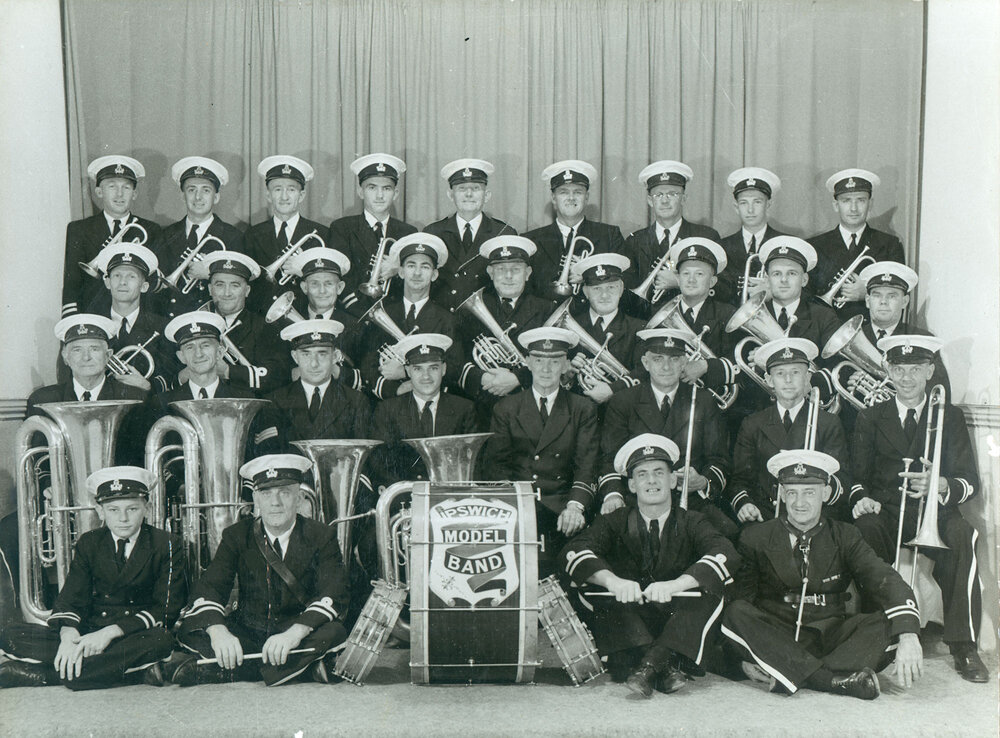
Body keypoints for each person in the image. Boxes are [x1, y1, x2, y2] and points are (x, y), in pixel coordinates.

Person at [721, 450, 924, 701]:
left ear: (825, 494)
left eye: (809, 492)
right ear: (781, 494)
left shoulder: (846, 535)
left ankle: (790, 669)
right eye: (792, 492)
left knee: (886, 623)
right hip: (778, 632)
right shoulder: (755, 536)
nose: (799, 502)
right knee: (736, 611)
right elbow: (742, 601)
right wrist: (743, 656)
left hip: (831, 635)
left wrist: (909, 634)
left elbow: (884, 578)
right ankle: (830, 680)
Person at [850, 335, 988, 683]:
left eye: (915, 369)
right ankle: (876, 633)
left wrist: (941, 485)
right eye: (898, 368)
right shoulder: (870, 416)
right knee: (864, 531)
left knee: (964, 534)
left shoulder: (950, 416)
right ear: (888, 369)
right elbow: (857, 476)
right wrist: (861, 498)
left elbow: (969, 481)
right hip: (889, 509)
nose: (906, 377)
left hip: (936, 512)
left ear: (929, 371)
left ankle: (963, 644)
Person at [560, 434, 739, 697]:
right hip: (632, 623)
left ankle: (645, 667)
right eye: (642, 474)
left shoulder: (693, 520)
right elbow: (572, 551)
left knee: (713, 588)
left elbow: (726, 553)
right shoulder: (614, 521)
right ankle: (663, 664)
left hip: (674, 622)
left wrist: (677, 584)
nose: (651, 480)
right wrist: (613, 581)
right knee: (596, 590)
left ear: (673, 480)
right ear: (631, 485)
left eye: (659, 472)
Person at [171, 454, 349, 686]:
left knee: (334, 632)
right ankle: (300, 668)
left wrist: (294, 634)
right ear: (256, 498)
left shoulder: (321, 535)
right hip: (248, 632)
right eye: (266, 494)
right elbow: (210, 587)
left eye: (284, 492)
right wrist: (219, 632)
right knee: (189, 629)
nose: (275, 502)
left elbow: (334, 592)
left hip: (294, 632)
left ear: (300, 498)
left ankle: (229, 670)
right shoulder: (236, 535)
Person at [0, 467, 186, 689]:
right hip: (88, 632)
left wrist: (108, 634)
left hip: (131, 633)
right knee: (11, 634)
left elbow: (165, 609)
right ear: (100, 511)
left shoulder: (166, 543)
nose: (123, 518)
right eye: (113, 509)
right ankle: (128, 671)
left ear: (147, 508)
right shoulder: (90, 542)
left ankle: (48, 675)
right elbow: (71, 597)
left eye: (132, 509)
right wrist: (69, 635)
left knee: (161, 640)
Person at [599, 329, 736, 537]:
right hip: (637, 499)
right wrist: (613, 494)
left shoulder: (704, 400)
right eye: (658, 359)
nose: (666, 366)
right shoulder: (623, 401)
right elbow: (609, 458)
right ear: (646, 363)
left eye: (674, 359)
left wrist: (704, 481)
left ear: (684, 363)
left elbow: (719, 459)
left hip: (689, 500)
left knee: (729, 535)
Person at [485, 327, 598, 575]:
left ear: (566, 364)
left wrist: (576, 507)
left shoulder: (582, 408)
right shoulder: (506, 408)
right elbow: (497, 465)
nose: (546, 369)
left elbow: (586, 465)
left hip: (563, 510)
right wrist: (508, 509)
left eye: (555, 361)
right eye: (539, 360)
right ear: (527, 362)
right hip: (519, 508)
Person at [727, 338, 851, 526]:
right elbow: (740, 480)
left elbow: (840, 480)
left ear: (808, 377)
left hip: (814, 516)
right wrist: (745, 504)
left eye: (795, 372)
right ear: (769, 380)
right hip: (765, 515)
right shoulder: (752, 424)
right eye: (780, 373)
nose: (788, 380)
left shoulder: (828, 423)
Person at [28, 314, 148, 465]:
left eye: (94, 349)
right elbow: (38, 459)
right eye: (77, 350)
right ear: (65, 357)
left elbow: (138, 457)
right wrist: (49, 486)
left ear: (108, 356)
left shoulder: (134, 397)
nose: (86, 357)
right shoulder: (42, 400)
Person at [456, 236, 554, 419]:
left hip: (530, 404)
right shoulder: (470, 310)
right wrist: (482, 378)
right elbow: (457, 357)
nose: (508, 276)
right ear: (490, 273)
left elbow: (553, 356)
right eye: (501, 269)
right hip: (482, 404)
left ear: (528, 273)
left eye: (516, 269)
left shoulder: (546, 309)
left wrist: (518, 378)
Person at [356, 233, 462, 400]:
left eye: (425, 267)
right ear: (401, 272)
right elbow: (367, 365)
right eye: (411, 266)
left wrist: (406, 375)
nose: (417, 273)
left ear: (434, 275)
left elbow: (455, 367)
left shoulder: (447, 319)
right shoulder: (382, 313)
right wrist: (395, 390)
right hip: (388, 403)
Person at [370, 333, 478, 487]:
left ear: (444, 369)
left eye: (433, 368)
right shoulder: (387, 409)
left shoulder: (464, 408)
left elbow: (472, 462)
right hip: (406, 499)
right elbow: (381, 462)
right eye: (418, 369)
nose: (426, 376)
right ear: (408, 371)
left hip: (450, 497)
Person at [61, 155, 162, 318]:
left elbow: (155, 280)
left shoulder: (151, 230)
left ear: (135, 194)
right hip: (92, 313)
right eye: (112, 187)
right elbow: (72, 281)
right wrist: (72, 318)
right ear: (99, 192)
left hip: (137, 316)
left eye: (126, 188)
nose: (119, 194)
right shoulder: (79, 229)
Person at [522, 160, 627, 305]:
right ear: (554, 198)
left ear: (587, 197)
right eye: (563, 192)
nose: (571, 198)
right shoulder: (531, 240)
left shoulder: (610, 235)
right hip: (545, 321)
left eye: (577, 192)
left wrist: (589, 276)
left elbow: (624, 282)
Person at [808, 169, 905, 320]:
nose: (854, 208)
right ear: (835, 205)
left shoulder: (890, 244)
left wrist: (865, 292)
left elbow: (899, 295)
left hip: (870, 328)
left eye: (861, 200)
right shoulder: (814, 246)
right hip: (828, 329)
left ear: (870, 204)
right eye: (846, 201)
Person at [624, 161, 721, 313]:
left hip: (691, 319)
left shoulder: (706, 236)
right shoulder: (634, 240)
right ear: (650, 201)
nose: (664, 200)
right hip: (645, 319)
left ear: (683, 198)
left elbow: (720, 286)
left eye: (672, 194)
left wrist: (678, 281)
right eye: (658, 195)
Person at [654, 237, 739, 411]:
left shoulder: (728, 314)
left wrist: (705, 366)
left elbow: (739, 361)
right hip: (670, 404)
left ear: (713, 281)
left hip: (712, 407)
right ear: (677, 278)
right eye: (686, 273)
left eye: (699, 274)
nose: (691, 280)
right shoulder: (660, 312)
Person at [155, 156, 245, 318]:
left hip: (214, 318)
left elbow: (241, 286)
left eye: (206, 190)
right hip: (172, 317)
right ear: (183, 196)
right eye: (191, 190)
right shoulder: (166, 235)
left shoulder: (234, 237)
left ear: (216, 197)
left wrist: (210, 273)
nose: (198, 197)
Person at [260, 319, 373, 447]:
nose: (314, 364)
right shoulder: (274, 401)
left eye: (322, 354)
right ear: (295, 357)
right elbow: (270, 455)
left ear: (335, 357)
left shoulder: (357, 402)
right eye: (306, 354)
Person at [422, 158, 517, 310]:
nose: (468, 194)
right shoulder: (433, 232)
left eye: (476, 188)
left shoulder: (503, 233)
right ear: (450, 195)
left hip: (488, 318)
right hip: (443, 318)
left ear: (487, 195)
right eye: (461, 188)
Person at [330, 153, 418, 315]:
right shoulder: (342, 228)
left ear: (396, 193)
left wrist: (398, 269)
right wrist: (359, 310)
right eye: (372, 187)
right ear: (360, 191)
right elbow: (340, 274)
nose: (379, 195)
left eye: (386, 188)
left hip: (395, 313)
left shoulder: (409, 233)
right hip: (354, 312)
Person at [90, 242, 179, 394]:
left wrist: (147, 386)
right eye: (117, 275)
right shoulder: (92, 325)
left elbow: (171, 375)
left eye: (131, 276)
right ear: (107, 283)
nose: (123, 282)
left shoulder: (162, 327)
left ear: (144, 287)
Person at [243, 155, 328, 315]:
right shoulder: (253, 234)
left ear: (301, 195)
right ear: (268, 195)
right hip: (263, 314)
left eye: (291, 189)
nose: (284, 196)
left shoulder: (321, 233)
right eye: (277, 189)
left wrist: (304, 269)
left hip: (305, 312)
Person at [195, 251, 290, 393]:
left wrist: (228, 371)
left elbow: (277, 376)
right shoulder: (195, 324)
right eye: (220, 285)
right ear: (210, 289)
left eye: (235, 285)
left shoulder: (265, 328)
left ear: (247, 290)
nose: (227, 293)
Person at [566, 253, 645, 404]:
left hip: (621, 413)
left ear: (621, 289)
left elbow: (644, 371)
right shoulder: (570, 327)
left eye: (611, 287)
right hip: (577, 413)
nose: (604, 295)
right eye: (596, 289)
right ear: (585, 292)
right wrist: (568, 373)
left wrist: (612, 389)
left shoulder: (639, 328)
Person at [716, 167, 785, 306]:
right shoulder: (721, 247)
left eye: (757, 202)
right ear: (736, 207)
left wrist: (774, 292)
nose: (750, 209)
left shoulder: (784, 243)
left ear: (768, 205)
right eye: (744, 203)